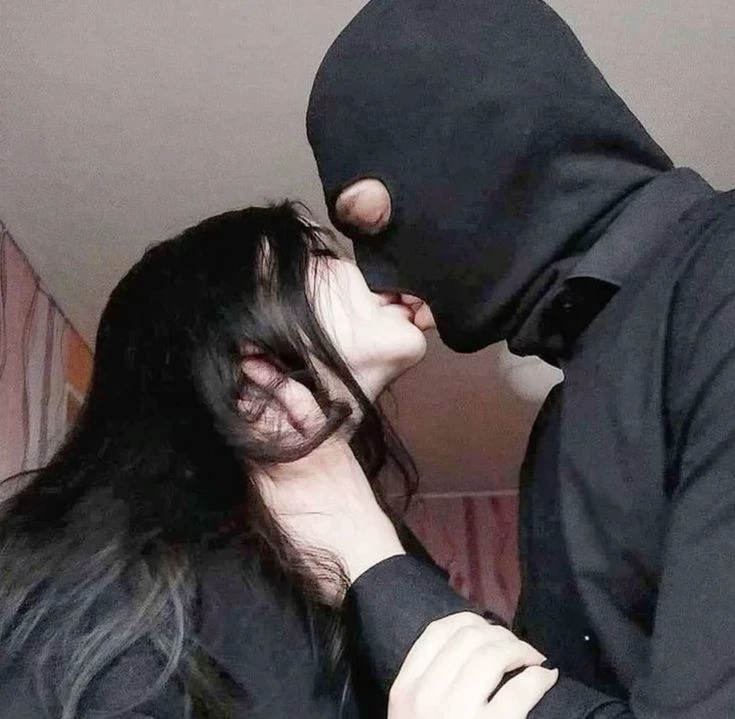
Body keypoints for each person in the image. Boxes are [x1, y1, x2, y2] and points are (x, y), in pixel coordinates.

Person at [273, 0, 735, 717]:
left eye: (375, 221)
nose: (375, 276)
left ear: (481, 141)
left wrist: (368, 558)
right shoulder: (558, 427)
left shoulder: (720, 274)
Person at [0, 202, 556, 718]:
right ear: (234, 331)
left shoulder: (376, 558)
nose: (369, 269)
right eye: (318, 254)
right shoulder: (101, 595)